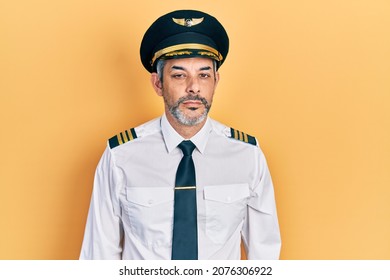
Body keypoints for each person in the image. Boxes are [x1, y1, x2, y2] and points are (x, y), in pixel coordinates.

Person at [80, 9, 281, 260]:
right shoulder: (120, 155)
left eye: (204, 75)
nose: (194, 87)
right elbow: (98, 256)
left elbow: (265, 255)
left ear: (216, 81)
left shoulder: (247, 155)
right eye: (179, 75)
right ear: (158, 84)